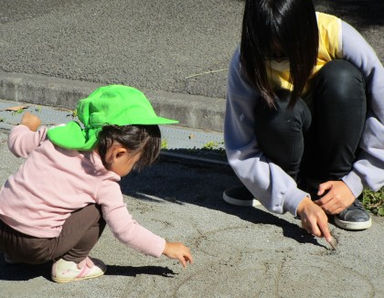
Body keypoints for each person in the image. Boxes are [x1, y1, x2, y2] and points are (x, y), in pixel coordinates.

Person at [223, 0, 384, 241]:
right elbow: (241, 147)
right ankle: (280, 186)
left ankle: (336, 192)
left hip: (336, 153)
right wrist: (293, 198)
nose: (279, 59)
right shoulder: (245, 61)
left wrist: (355, 182)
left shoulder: (337, 35)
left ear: (307, 31)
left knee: (342, 78)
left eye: (288, 52)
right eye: (270, 54)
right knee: (277, 108)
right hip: (284, 161)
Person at [0, 85, 193, 283]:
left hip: (2, 228)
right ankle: (70, 264)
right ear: (118, 153)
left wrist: (24, 126)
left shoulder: (58, 134)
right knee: (98, 209)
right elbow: (125, 230)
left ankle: (13, 255)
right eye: (134, 163)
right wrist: (165, 247)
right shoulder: (104, 182)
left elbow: (17, 144)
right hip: (35, 248)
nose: (132, 170)